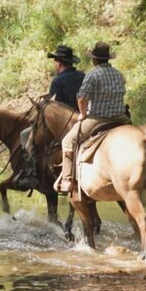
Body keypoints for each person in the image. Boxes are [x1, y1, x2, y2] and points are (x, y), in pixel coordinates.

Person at [54, 41, 130, 194]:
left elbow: (82, 97)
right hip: (122, 119)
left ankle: (67, 180)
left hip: (98, 119)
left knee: (68, 141)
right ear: (108, 59)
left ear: (95, 59)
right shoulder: (118, 74)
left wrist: (82, 114)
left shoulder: (92, 75)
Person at [14, 45, 85, 189]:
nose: (54, 64)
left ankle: (31, 174)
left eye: (55, 61)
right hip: (83, 118)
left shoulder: (57, 81)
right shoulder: (82, 76)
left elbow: (53, 108)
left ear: (59, 63)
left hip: (62, 123)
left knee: (25, 135)